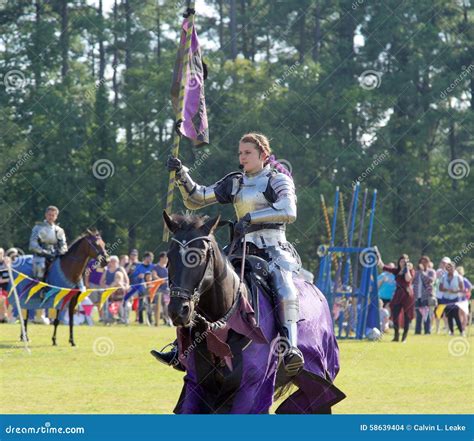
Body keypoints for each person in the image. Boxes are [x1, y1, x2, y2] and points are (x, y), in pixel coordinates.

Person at [153, 132, 304, 376]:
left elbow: (289, 210)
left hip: (273, 250)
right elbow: (197, 198)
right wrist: (182, 175)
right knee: (198, 279)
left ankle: (291, 349)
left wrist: (251, 217)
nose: (242, 158)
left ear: (263, 155)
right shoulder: (236, 181)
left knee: (284, 287)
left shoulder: (277, 180)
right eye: (240, 153)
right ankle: (181, 348)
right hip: (239, 248)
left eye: (248, 153)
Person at [377, 253, 415, 342]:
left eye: (404, 261)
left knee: (407, 316)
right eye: (401, 261)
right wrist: (379, 257)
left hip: (407, 294)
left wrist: (407, 269)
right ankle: (396, 336)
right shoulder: (396, 270)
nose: (402, 263)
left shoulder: (411, 270)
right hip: (398, 294)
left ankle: (404, 337)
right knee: (395, 314)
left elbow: (407, 279)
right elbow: (383, 266)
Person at [29, 206, 68, 281]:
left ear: (56, 217)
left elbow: (64, 245)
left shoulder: (59, 230)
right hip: (40, 256)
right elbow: (33, 244)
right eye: (49, 215)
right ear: (46, 215)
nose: (51, 217)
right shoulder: (38, 227)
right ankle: (38, 288)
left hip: (55, 255)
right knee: (41, 268)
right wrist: (44, 252)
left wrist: (60, 252)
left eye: (53, 215)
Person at [413, 256, 436, 335]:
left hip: (426, 296)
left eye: (425, 262)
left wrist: (422, 272)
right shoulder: (416, 272)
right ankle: (417, 331)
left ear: (428, 263)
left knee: (427, 314)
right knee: (418, 315)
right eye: (422, 262)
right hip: (417, 296)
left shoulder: (431, 272)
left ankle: (427, 331)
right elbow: (412, 282)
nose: (423, 263)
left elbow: (430, 280)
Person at [439, 262, 464, 336]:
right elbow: (440, 288)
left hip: (455, 298)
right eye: (448, 267)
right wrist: (447, 290)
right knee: (448, 315)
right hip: (446, 298)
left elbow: (462, 288)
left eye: (451, 267)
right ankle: (451, 331)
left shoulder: (458, 277)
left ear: (454, 268)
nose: (450, 269)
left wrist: (454, 291)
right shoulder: (443, 277)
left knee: (456, 315)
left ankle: (461, 331)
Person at [131, 252, 155, 324]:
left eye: (152, 258)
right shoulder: (138, 266)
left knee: (149, 305)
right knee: (140, 305)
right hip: (140, 289)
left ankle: (150, 320)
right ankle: (141, 321)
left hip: (150, 289)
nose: (151, 260)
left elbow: (154, 276)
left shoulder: (153, 266)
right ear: (145, 258)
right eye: (149, 258)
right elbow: (133, 277)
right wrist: (138, 276)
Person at [153, 252, 171, 326]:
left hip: (167, 290)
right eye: (166, 257)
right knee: (158, 306)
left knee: (167, 306)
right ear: (161, 258)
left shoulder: (168, 266)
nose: (167, 259)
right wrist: (161, 280)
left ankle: (168, 320)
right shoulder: (156, 267)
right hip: (158, 290)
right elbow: (154, 275)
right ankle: (156, 321)